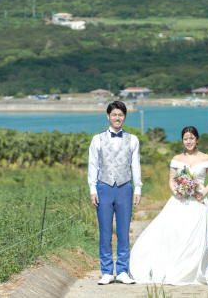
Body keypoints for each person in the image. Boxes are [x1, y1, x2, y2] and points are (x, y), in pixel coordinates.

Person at [128, 126, 208, 285]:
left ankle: (192, 272)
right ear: (182, 140)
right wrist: (177, 191)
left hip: (199, 202)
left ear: (197, 139)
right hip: (179, 201)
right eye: (185, 138)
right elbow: (171, 179)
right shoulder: (176, 158)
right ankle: (174, 269)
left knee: (198, 238)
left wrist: (202, 193)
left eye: (191, 138)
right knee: (175, 234)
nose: (188, 141)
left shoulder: (206, 158)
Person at [88, 101, 142, 285]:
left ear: (124, 117)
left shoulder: (133, 139)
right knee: (104, 231)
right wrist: (92, 189)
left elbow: (135, 165)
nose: (117, 118)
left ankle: (123, 271)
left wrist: (138, 188)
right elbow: (93, 165)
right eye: (114, 114)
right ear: (108, 116)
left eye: (120, 115)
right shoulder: (97, 139)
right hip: (103, 187)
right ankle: (106, 272)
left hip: (125, 187)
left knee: (123, 231)